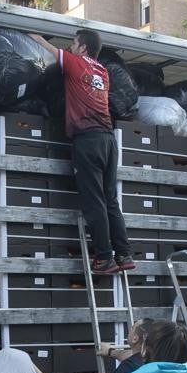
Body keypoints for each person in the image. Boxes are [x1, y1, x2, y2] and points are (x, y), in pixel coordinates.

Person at [33, 30, 134, 275]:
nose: (70, 46)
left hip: (88, 140)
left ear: (83, 48)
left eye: (74, 43)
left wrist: (29, 31)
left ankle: (104, 258)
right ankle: (124, 254)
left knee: (94, 200)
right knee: (110, 200)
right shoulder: (103, 71)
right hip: (109, 140)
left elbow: (45, 47)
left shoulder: (75, 63)